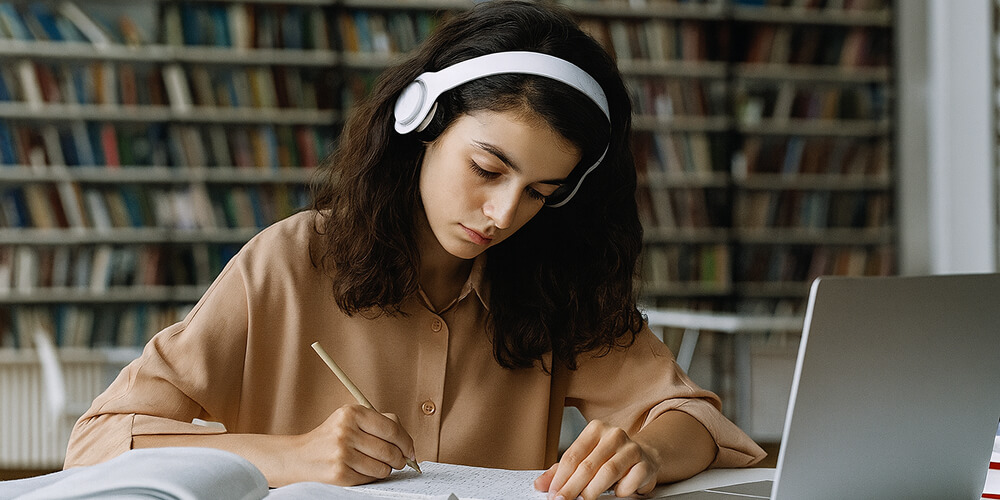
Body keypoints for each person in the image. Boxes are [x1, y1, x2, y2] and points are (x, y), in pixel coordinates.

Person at [64, 2, 765, 499]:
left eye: (542, 191)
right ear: (419, 123)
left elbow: (696, 420)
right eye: (488, 169)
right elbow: (98, 443)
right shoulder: (290, 261)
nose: (504, 213)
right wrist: (290, 456)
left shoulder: (558, 279)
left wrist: (643, 448)